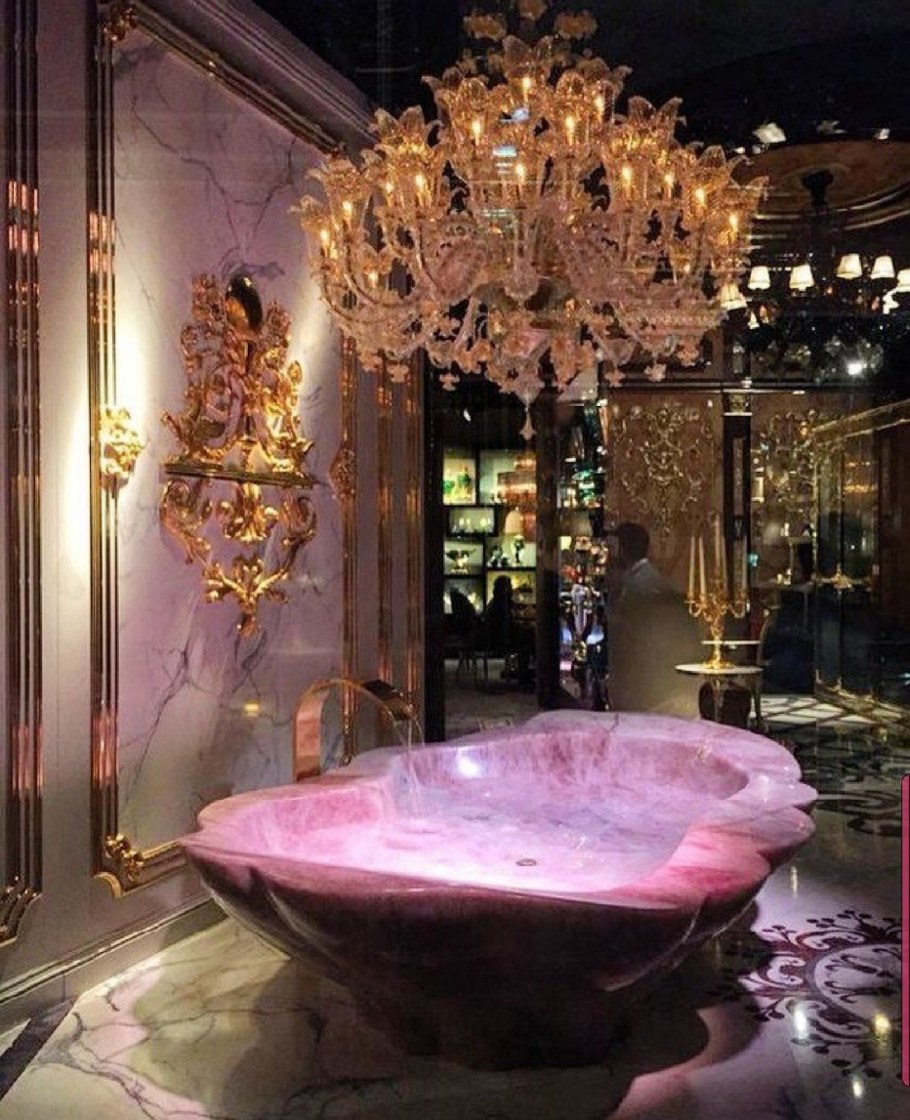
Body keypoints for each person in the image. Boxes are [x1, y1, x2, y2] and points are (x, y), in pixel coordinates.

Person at [605, 522, 702, 716]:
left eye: (614, 546)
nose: (611, 552)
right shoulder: (635, 578)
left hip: (643, 678)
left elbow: (634, 631)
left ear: (623, 548)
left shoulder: (641, 583)